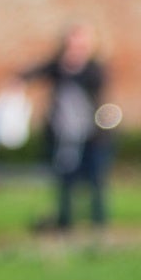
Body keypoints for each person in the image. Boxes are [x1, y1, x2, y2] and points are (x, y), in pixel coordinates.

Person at [23, 24, 113, 231]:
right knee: (65, 180)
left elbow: (99, 91)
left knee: (96, 179)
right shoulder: (57, 67)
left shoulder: (94, 69)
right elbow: (32, 73)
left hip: (92, 135)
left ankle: (99, 224)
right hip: (62, 135)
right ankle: (65, 223)